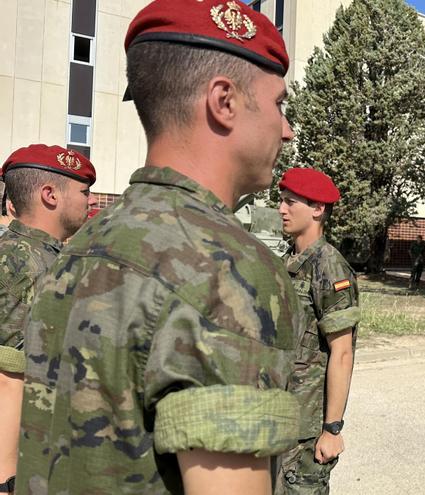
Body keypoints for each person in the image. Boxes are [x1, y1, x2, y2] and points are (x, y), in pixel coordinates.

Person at [16, 1, 308, 493]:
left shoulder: (82, 244)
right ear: (225, 101)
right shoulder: (225, 268)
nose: (287, 128)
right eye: (279, 103)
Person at [0, 145, 96, 493]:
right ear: (49, 195)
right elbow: (7, 377)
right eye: (84, 192)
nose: (88, 200)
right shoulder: (24, 264)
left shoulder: (43, 257)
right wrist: (7, 482)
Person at [275, 168, 359, 494]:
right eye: (280, 201)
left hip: (306, 431)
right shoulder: (287, 263)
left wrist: (332, 429)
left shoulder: (329, 266)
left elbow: (342, 351)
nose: (281, 209)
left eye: (289, 201)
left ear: (317, 208)